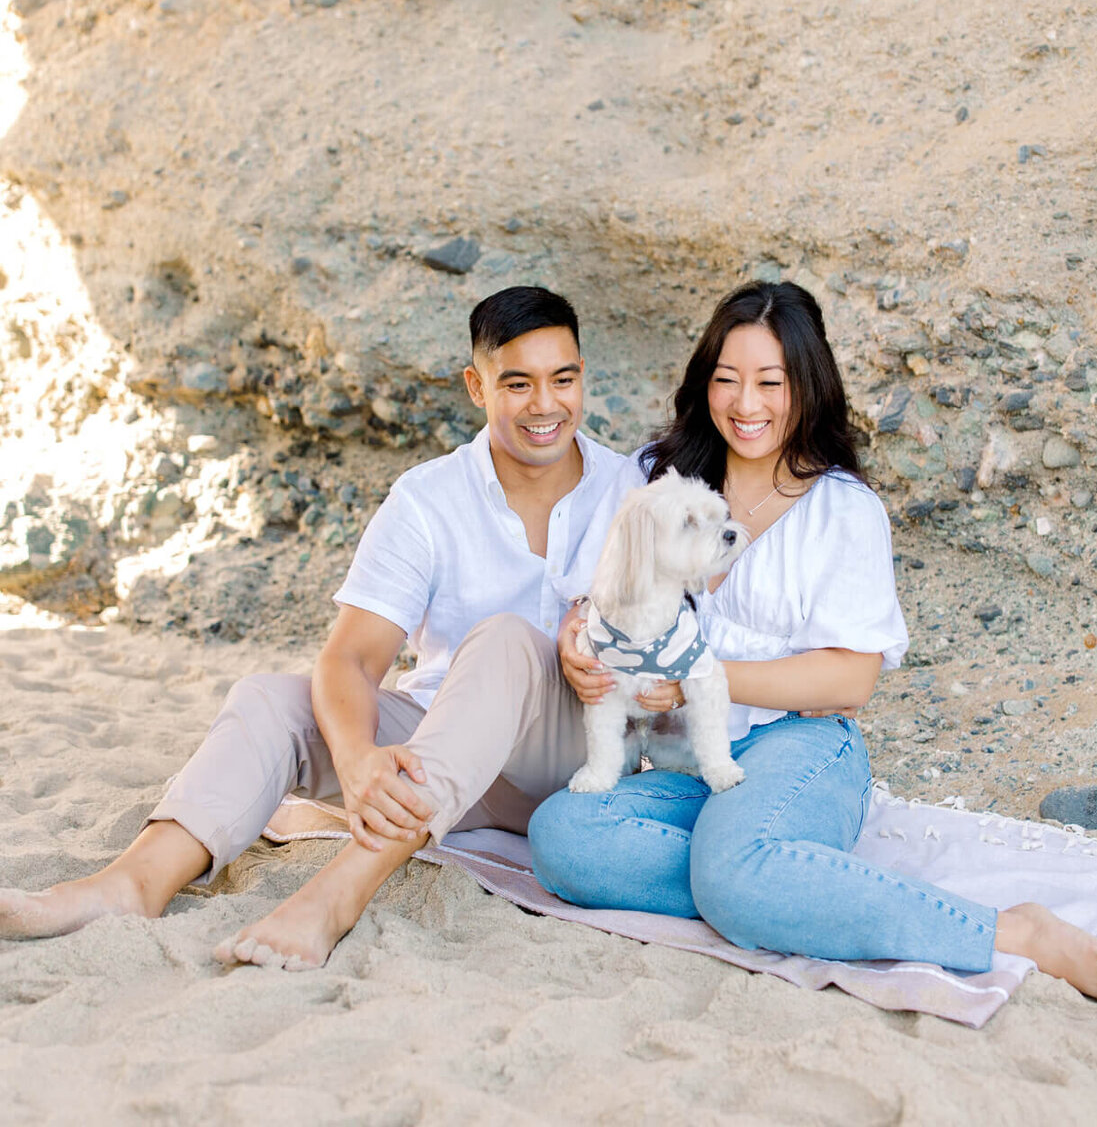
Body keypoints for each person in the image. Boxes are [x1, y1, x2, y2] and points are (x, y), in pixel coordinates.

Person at [528, 281, 1097, 1009]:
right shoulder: (656, 477)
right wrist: (579, 642)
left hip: (799, 746)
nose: (745, 405)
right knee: (563, 835)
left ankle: (1010, 931)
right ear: (704, 382)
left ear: (806, 386)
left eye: (770, 382)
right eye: (727, 380)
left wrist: (702, 675)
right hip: (688, 759)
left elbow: (850, 681)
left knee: (733, 877)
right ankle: (766, 880)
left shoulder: (842, 510)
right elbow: (600, 595)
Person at [0, 286, 630, 967]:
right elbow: (353, 660)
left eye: (562, 379)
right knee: (270, 699)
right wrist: (358, 760)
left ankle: (332, 900)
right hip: (440, 751)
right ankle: (135, 881)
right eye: (518, 383)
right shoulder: (427, 499)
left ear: (582, 378)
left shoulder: (632, 488)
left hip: (570, 753)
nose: (545, 405)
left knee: (506, 638)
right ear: (477, 388)